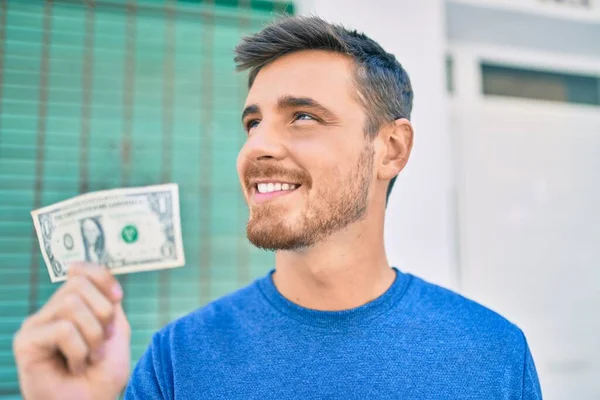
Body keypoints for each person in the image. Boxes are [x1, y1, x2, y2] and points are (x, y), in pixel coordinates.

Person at [13, 16, 542, 399]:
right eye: (252, 123)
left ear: (391, 149)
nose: (256, 147)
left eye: (303, 117)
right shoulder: (179, 358)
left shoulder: (491, 354)